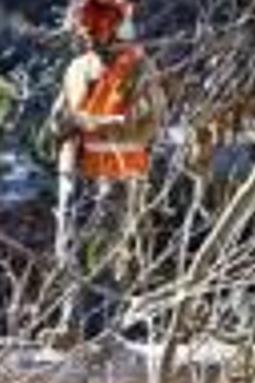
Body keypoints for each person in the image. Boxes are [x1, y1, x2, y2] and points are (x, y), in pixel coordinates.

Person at [50, 0, 162, 339]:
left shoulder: (139, 68)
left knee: (108, 256)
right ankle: (69, 326)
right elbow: (57, 120)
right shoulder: (76, 68)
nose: (91, 35)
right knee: (69, 250)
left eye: (98, 25)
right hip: (76, 172)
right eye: (87, 26)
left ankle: (106, 334)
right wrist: (68, 124)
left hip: (118, 176)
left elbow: (146, 123)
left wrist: (91, 123)